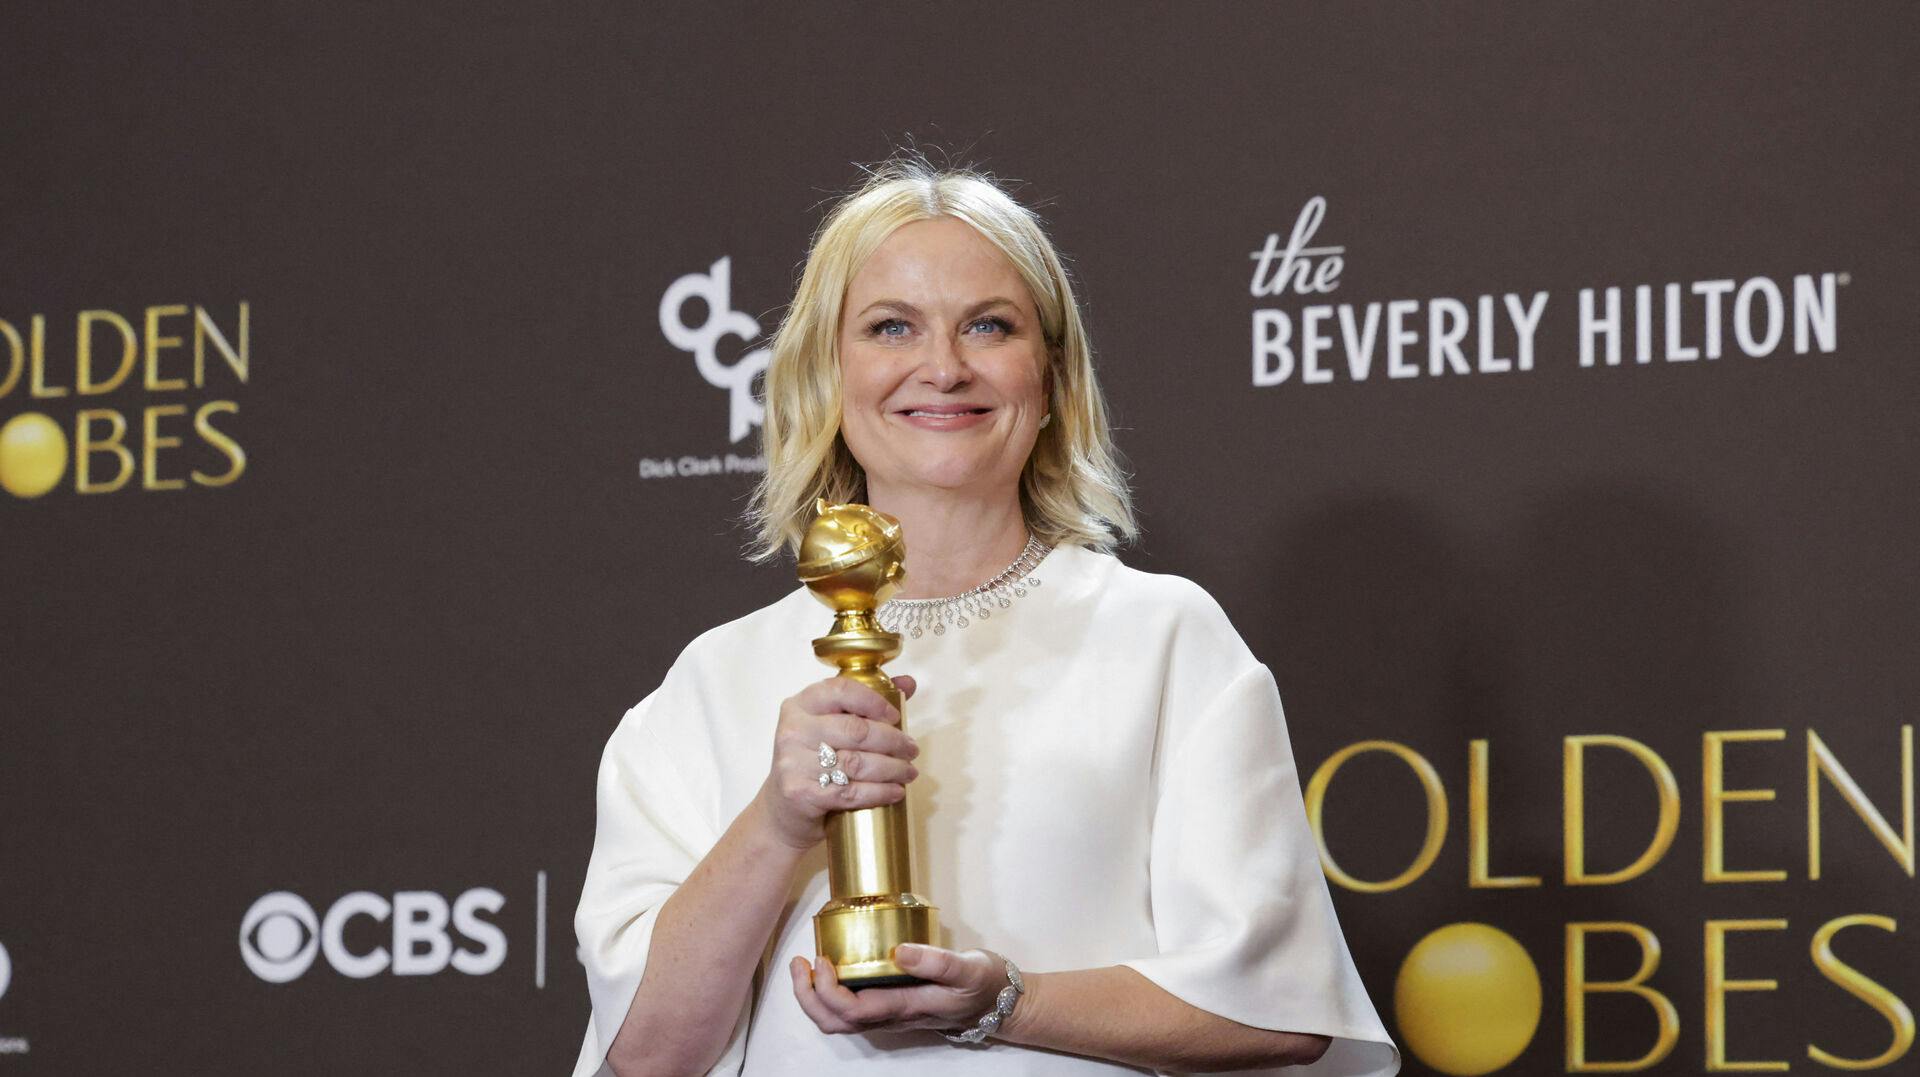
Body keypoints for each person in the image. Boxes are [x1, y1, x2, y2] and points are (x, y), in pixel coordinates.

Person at [573, 159, 1399, 1076]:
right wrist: (775, 822)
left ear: (1049, 378)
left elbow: (1279, 1011)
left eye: (988, 326)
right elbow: (642, 1057)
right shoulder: (711, 683)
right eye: (892, 326)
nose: (943, 367)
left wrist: (1004, 1002)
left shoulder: (1163, 639)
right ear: (824, 373)